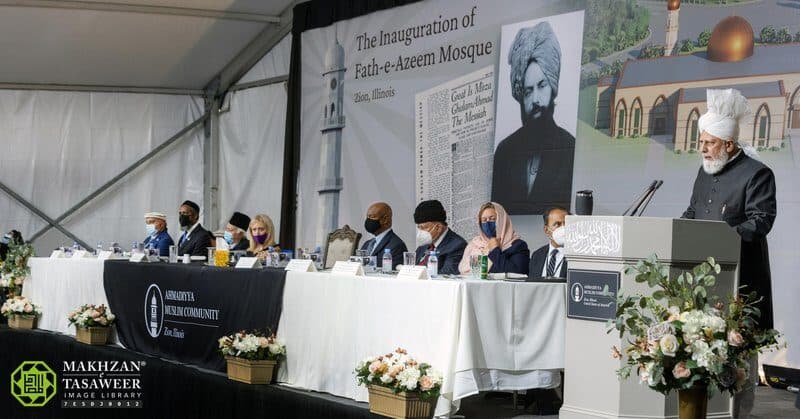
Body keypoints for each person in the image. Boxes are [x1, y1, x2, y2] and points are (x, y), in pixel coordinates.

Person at [681, 88, 776, 419]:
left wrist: (722, 239)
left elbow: (761, 221)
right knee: (704, 353)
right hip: (702, 284)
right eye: (702, 141)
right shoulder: (703, 171)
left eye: (708, 142)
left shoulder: (757, 173)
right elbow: (692, 213)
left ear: (729, 145)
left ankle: (738, 415)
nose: (702, 148)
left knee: (739, 357)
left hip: (740, 283)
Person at [492, 21, 575, 215]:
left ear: (553, 87)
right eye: (528, 91)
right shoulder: (504, 152)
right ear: (521, 96)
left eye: (542, 85)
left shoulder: (570, 148)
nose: (536, 99)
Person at [458, 202, 529, 275]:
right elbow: (464, 271)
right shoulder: (475, 245)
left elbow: (519, 273)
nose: (488, 223)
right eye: (484, 220)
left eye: (492, 219)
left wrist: (494, 250)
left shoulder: (517, 245)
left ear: (502, 221)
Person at [413, 200, 467, 275]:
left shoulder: (457, 246)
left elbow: (445, 276)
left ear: (438, 228)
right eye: (419, 227)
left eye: (424, 227)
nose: (420, 232)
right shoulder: (423, 246)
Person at [360, 202, 407, 270]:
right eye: (367, 217)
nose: (368, 220)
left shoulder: (397, 245)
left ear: (385, 219)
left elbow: (393, 273)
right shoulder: (367, 244)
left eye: (372, 217)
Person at [529, 206, 569, 278]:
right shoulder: (537, 256)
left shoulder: (577, 256)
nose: (563, 228)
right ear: (546, 230)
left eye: (566, 224)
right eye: (558, 224)